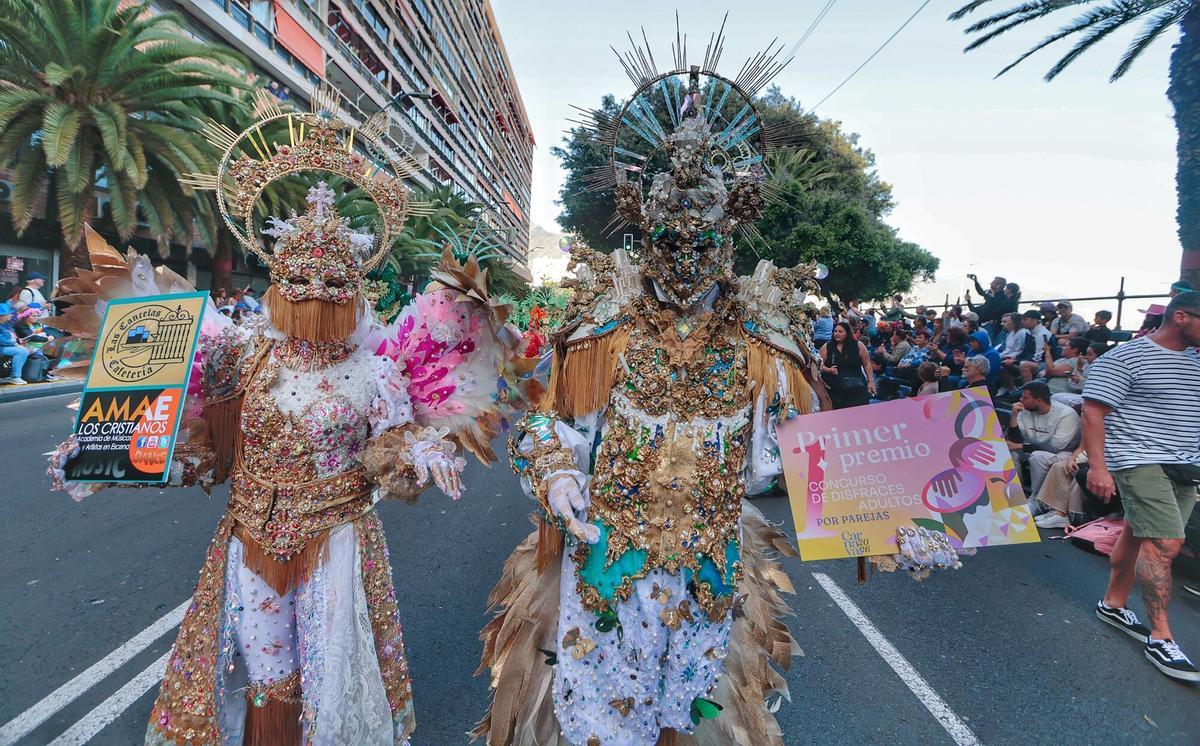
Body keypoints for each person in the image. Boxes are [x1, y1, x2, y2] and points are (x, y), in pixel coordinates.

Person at [474, 66, 964, 745]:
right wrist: (560, 478)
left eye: (699, 242)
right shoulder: (604, 328)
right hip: (607, 566)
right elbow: (547, 423)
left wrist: (894, 524)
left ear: (727, 235)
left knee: (685, 721)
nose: (683, 260)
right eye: (668, 242)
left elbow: (811, 455)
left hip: (708, 573)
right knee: (601, 727)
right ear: (646, 235)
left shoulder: (762, 339)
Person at [48, 122, 522, 742]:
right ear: (277, 285)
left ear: (354, 291)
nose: (316, 297)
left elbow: (387, 450)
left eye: (333, 285)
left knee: (328, 681)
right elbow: (206, 457)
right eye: (300, 283)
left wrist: (417, 449)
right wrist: (105, 457)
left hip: (338, 542)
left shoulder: (378, 368)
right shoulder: (239, 358)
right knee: (269, 676)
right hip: (252, 542)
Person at [1084, 290, 1200, 682]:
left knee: (1141, 533)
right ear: (1181, 317)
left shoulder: (1196, 360)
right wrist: (1097, 467)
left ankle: (1114, 604)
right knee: (1165, 543)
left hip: (1183, 465)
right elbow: (1094, 413)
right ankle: (1161, 636)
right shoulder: (1127, 357)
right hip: (1138, 459)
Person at [1006, 381, 1081, 514]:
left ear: (1039, 400)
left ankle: (1036, 500)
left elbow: (1055, 447)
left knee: (1038, 456)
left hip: (1066, 453)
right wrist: (1013, 417)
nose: (1020, 399)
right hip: (1033, 448)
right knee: (1010, 452)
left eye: (1025, 397)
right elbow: (1014, 441)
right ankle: (1015, 496)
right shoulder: (1025, 410)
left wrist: (1020, 446)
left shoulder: (1066, 415)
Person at [820, 320, 876, 408]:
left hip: (856, 387)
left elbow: (867, 364)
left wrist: (871, 381)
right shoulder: (827, 347)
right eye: (835, 331)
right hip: (835, 390)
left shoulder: (859, 345)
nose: (837, 334)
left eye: (840, 331)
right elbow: (819, 364)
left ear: (847, 333)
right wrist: (829, 370)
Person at [1016, 309, 1054, 383]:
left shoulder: (1042, 334)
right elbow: (1026, 350)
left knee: (1024, 365)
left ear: (1035, 320)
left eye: (1025, 319)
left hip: (1046, 363)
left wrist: (1015, 361)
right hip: (1033, 360)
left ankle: (1028, 390)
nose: (1022, 322)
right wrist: (1015, 359)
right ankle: (1011, 389)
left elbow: (1038, 358)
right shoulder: (1029, 332)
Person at [0, 302, 30, 384]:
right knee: (21, 351)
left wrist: (18, 341)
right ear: (2, 316)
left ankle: (8, 375)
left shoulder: (5, 324)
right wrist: (15, 344)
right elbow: (1, 340)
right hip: (2, 348)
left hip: (5, 346)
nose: (11, 315)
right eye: (9, 314)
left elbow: (9, 338)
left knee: (28, 349)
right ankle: (15, 376)